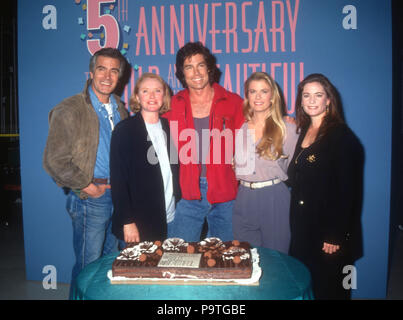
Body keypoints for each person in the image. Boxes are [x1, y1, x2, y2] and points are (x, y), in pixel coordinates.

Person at [43, 48, 129, 286]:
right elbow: (54, 159)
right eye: (102, 69)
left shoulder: (120, 108)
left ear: (119, 76)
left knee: (110, 263)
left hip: (118, 196)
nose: (107, 76)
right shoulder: (70, 109)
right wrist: (86, 185)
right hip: (92, 198)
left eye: (114, 71)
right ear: (91, 72)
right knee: (88, 266)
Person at [287, 73, 364, 300]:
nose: (311, 100)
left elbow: (348, 193)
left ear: (328, 99)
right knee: (308, 288)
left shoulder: (342, 137)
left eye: (318, 95)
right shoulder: (303, 131)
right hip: (304, 228)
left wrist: (335, 235)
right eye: (306, 95)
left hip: (329, 234)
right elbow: (295, 177)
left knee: (333, 290)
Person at [163, 42, 244, 242]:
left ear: (209, 68)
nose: (196, 72)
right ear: (182, 72)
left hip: (226, 193)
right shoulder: (172, 104)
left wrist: (285, 119)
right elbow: (149, 130)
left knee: (225, 261)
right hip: (186, 193)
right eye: (189, 67)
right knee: (179, 258)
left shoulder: (234, 102)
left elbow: (254, 134)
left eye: (200, 65)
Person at [110, 73, 181, 246]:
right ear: (136, 96)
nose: (151, 96)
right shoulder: (124, 130)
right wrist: (127, 222)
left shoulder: (168, 127)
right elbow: (119, 181)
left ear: (164, 97)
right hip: (139, 224)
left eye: (157, 91)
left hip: (170, 217)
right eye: (145, 91)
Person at [233, 72, 298, 253]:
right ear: (247, 96)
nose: (258, 96)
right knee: (246, 260)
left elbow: (296, 169)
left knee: (276, 260)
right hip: (244, 197)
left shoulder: (289, 129)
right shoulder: (241, 128)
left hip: (274, 197)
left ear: (272, 96)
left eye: (264, 91)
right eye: (253, 91)